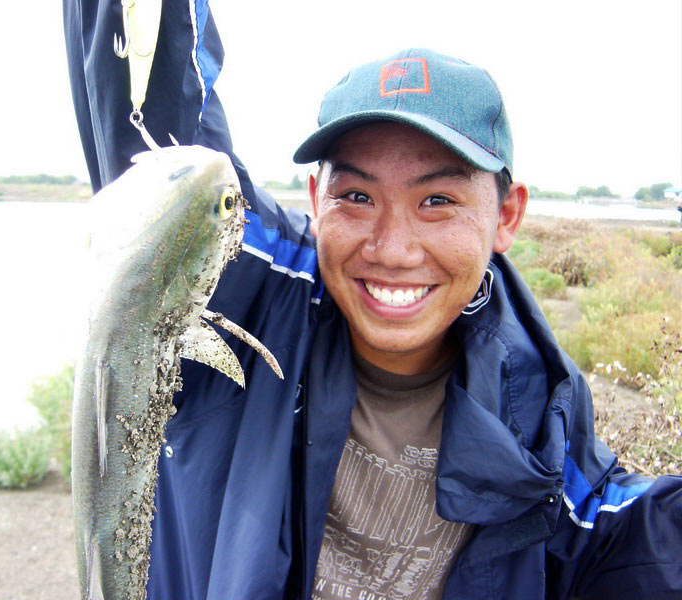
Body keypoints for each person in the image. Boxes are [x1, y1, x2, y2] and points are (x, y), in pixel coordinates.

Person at [64, 2, 682, 598]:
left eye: (437, 201)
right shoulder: (244, 283)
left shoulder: (539, 420)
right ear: (315, 197)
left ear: (506, 216)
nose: (392, 249)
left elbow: (631, 537)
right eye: (356, 197)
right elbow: (155, 115)